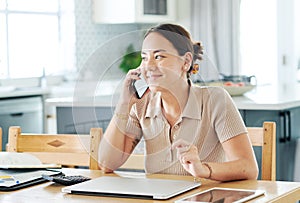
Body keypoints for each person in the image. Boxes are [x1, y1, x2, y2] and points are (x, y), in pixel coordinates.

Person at [98, 23, 258, 181]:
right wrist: (123, 104)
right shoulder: (141, 105)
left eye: (159, 56)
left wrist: (203, 169)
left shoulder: (215, 100)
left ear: (186, 61)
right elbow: (106, 164)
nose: (149, 66)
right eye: (144, 58)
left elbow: (248, 168)